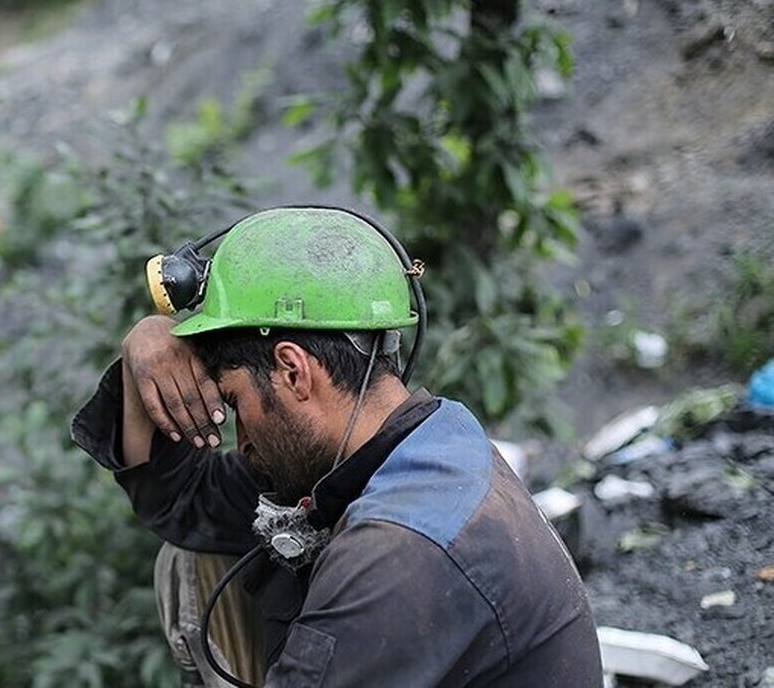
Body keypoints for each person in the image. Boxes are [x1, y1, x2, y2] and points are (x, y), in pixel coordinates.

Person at [70, 207, 602, 686]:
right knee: (191, 559)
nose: (243, 439)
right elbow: (183, 501)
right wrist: (146, 343)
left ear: (293, 371)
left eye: (235, 402)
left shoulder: (397, 551)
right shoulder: (428, 443)